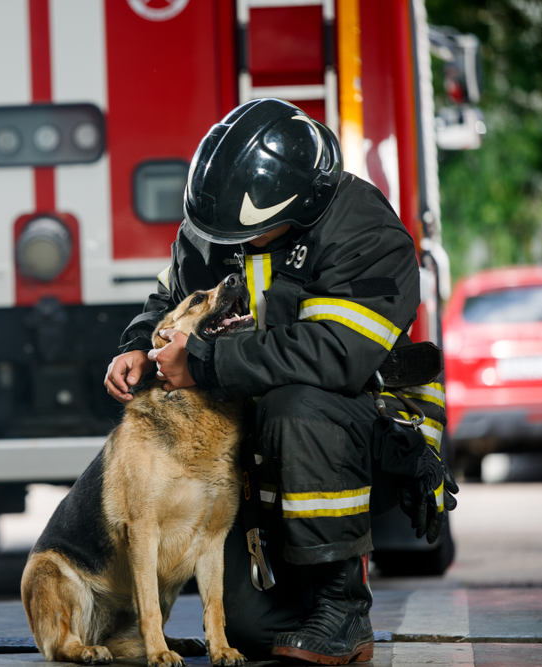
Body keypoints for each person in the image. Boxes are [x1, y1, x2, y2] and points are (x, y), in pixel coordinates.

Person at [104, 98, 453, 665]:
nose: (236, 247)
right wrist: (140, 348)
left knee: (299, 404)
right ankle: (303, 602)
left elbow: (335, 354)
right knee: (249, 629)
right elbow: (169, 298)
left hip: (366, 427)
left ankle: (342, 609)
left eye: (255, 233)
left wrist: (206, 363)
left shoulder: (365, 231)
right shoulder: (218, 228)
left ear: (300, 201)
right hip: (261, 434)